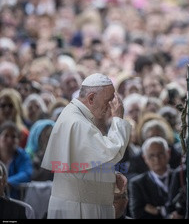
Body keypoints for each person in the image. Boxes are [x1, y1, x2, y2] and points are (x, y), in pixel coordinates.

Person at [41, 73, 132, 219]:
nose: (110, 107)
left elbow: (81, 167)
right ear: (91, 98)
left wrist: (109, 177)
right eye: (108, 101)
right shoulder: (77, 122)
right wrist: (118, 120)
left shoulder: (78, 117)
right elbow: (113, 153)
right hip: (79, 210)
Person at [128, 137, 174, 219]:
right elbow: (137, 214)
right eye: (151, 156)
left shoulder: (180, 176)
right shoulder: (137, 184)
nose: (156, 159)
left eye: (160, 154)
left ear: (168, 153)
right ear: (145, 158)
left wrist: (156, 210)